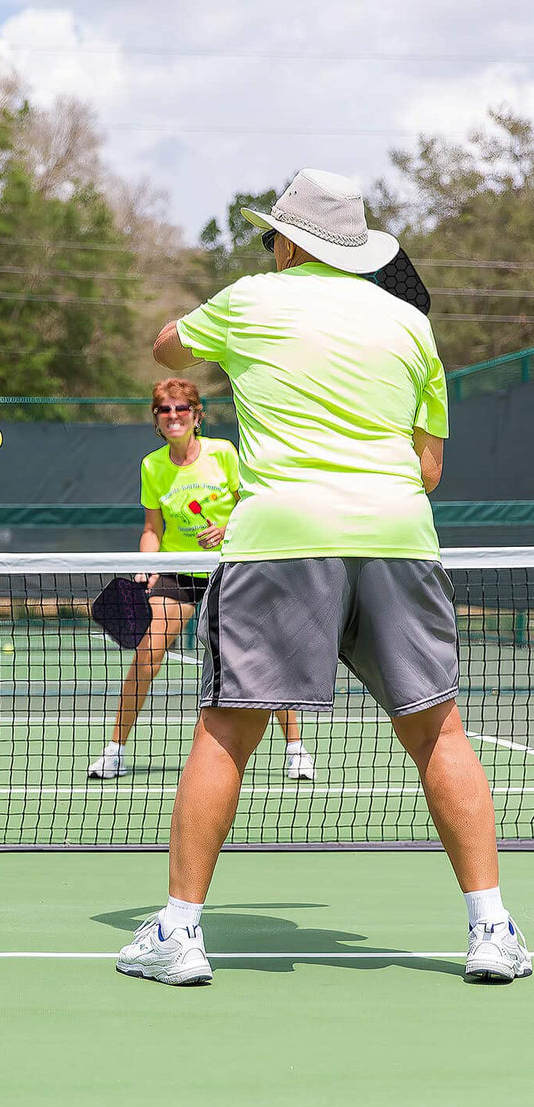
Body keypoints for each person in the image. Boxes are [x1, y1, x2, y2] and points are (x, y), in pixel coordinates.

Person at [116, 168, 529, 986]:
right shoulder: (412, 327)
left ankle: (180, 933)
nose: (268, 247)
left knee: (226, 730)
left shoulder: (248, 301)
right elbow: (428, 466)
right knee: (438, 731)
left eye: (272, 235)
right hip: (397, 537)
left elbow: (166, 346)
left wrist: (210, 341)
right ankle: (492, 928)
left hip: (282, 539)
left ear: (293, 241)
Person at [87, 378, 314, 782]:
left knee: (264, 657)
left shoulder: (223, 454)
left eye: (181, 408)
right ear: (156, 420)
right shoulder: (152, 466)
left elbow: (255, 504)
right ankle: (115, 751)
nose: (173, 416)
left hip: (231, 568)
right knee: (147, 653)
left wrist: (227, 527)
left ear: (197, 415)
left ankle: (296, 750)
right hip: (179, 574)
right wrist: (146, 563)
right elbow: (152, 528)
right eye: (164, 410)